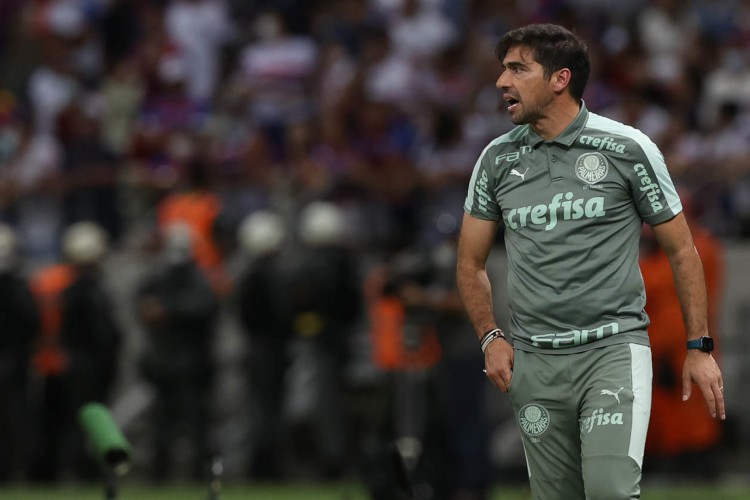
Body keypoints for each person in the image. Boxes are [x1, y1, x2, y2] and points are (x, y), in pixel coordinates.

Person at [455, 24, 725, 500]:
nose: (501, 82)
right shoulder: (496, 160)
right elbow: (470, 261)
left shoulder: (628, 148)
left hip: (612, 351)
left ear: (560, 79)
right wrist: (490, 338)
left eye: (518, 69)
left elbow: (682, 249)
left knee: (609, 492)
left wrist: (699, 347)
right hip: (535, 360)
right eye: (503, 69)